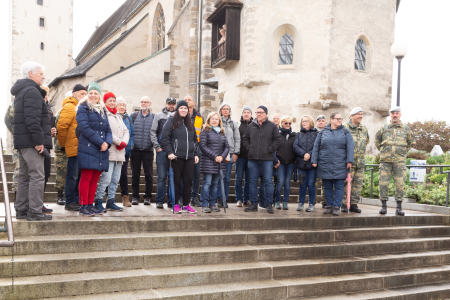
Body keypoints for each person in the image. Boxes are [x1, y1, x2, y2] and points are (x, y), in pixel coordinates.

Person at [12, 61, 52, 221]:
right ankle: (35, 211)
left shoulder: (22, 91)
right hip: (30, 141)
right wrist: (38, 141)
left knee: (24, 175)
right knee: (37, 175)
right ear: (31, 74)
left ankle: (21, 209)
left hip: (22, 141)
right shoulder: (32, 91)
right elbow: (32, 119)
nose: (43, 76)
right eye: (41, 73)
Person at [76, 82, 112, 216]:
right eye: (90, 93)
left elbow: (108, 129)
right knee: (86, 177)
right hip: (88, 147)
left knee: (95, 178)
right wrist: (100, 142)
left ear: (99, 95)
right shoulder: (83, 108)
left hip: (101, 149)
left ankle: (90, 205)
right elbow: (84, 128)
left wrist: (107, 143)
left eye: (95, 93)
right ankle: (83, 205)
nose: (93, 95)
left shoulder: (102, 110)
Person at [160, 100, 199, 214]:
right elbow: (164, 139)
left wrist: (196, 154)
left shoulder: (190, 122)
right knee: (176, 181)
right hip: (175, 157)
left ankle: (186, 205)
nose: (183, 110)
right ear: (177, 109)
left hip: (189, 157)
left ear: (188, 110)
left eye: (185, 108)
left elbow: (195, 141)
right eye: (181, 108)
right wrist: (170, 152)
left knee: (188, 181)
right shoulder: (171, 120)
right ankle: (175, 204)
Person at [312, 112, 354, 216]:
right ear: (331, 119)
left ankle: (336, 207)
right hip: (325, 163)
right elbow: (316, 147)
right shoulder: (322, 132)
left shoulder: (345, 132)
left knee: (339, 186)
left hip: (340, 164)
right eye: (337, 119)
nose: (340, 120)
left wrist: (349, 161)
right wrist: (314, 160)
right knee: (327, 186)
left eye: (341, 119)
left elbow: (350, 147)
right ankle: (329, 206)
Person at [375, 107, 415, 216]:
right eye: (393, 113)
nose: (395, 115)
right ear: (390, 115)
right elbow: (377, 141)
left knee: (400, 185)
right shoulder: (383, 128)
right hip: (385, 162)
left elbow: (410, 143)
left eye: (397, 113)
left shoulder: (406, 129)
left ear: (400, 114)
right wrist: (385, 151)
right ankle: (383, 206)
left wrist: (401, 153)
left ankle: (399, 208)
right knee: (383, 184)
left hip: (399, 162)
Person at [94, 92, 130, 212]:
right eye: (110, 100)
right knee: (106, 179)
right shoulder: (103, 115)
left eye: (114, 101)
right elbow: (107, 132)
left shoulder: (118, 116)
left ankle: (111, 201)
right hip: (109, 152)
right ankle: (98, 201)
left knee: (115, 179)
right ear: (105, 102)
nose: (112, 103)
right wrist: (120, 142)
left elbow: (126, 131)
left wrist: (124, 142)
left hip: (120, 154)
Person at [242, 105, 281, 214]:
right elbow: (245, 138)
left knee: (268, 181)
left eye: (261, 112)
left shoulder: (272, 126)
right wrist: (249, 148)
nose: (258, 114)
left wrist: (270, 149)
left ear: (266, 114)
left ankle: (269, 204)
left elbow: (278, 139)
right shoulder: (251, 126)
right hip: (253, 159)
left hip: (267, 159)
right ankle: (254, 204)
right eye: (257, 112)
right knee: (252, 181)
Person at [57, 84, 87, 211]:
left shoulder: (82, 107)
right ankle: (69, 201)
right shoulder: (70, 107)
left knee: (79, 176)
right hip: (73, 147)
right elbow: (61, 128)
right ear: (74, 94)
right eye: (81, 94)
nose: (84, 96)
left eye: (85, 94)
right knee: (72, 176)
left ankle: (75, 200)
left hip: (82, 148)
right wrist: (64, 145)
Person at [199, 112, 229, 213]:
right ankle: (204, 204)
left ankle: (212, 204)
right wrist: (215, 156)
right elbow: (202, 146)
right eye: (212, 119)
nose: (214, 121)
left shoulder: (222, 132)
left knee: (215, 184)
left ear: (219, 121)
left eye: (216, 119)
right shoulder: (205, 131)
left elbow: (227, 147)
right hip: (208, 161)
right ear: (208, 120)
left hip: (219, 163)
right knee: (207, 183)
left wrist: (222, 156)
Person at [342, 107, 369, 213]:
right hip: (348, 163)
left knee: (357, 185)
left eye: (361, 114)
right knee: (345, 184)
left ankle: (353, 204)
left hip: (360, 162)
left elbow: (366, 141)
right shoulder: (344, 128)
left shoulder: (364, 128)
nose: (360, 116)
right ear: (352, 116)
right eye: (358, 114)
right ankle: (344, 204)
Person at [151, 97, 176, 208]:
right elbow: (153, 132)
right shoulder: (158, 116)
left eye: (173, 104)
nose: (171, 106)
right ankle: (159, 201)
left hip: (174, 152)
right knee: (161, 177)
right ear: (165, 104)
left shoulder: (178, 117)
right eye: (169, 104)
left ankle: (171, 201)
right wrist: (157, 147)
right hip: (162, 151)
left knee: (173, 177)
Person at [130, 96, 155, 205]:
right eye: (142, 102)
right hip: (135, 150)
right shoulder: (133, 116)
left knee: (149, 175)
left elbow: (156, 132)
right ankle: (135, 197)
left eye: (145, 102)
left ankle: (147, 197)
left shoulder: (154, 117)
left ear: (150, 104)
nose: (143, 103)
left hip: (148, 151)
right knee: (135, 175)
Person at [216, 102, 240, 208]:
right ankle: (217, 198)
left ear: (230, 111)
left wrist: (235, 153)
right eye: (224, 109)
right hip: (218, 153)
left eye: (227, 109)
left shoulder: (234, 124)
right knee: (217, 177)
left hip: (229, 154)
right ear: (220, 110)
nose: (226, 110)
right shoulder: (217, 122)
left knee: (226, 178)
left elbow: (237, 139)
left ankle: (224, 198)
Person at [293, 115, 319, 212]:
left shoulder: (317, 133)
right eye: (303, 121)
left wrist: (310, 154)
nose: (304, 123)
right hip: (301, 163)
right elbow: (295, 146)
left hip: (312, 163)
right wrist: (304, 154)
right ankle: (301, 203)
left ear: (310, 122)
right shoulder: (298, 134)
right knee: (302, 184)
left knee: (311, 184)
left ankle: (311, 204)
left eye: (306, 121)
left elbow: (317, 146)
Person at [273, 116, 296, 210]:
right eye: (286, 123)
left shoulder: (294, 135)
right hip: (280, 162)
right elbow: (274, 147)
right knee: (280, 181)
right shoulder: (277, 134)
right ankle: (277, 201)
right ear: (282, 123)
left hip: (290, 163)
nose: (288, 125)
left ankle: (285, 202)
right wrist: (276, 159)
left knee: (287, 182)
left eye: (289, 123)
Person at [185, 95, 204, 206]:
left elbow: (204, 132)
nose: (187, 102)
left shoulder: (200, 117)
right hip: (184, 147)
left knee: (196, 175)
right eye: (185, 100)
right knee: (184, 175)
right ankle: (182, 197)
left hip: (197, 148)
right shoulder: (180, 115)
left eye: (189, 100)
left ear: (194, 103)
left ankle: (194, 197)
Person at [117, 97, 134, 207]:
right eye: (120, 105)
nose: (122, 107)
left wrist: (131, 145)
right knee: (111, 175)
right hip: (113, 150)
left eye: (123, 105)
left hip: (125, 151)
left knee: (123, 175)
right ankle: (109, 196)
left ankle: (125, 197)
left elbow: (131, 134)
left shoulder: (128, 118)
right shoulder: (112, 116)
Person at [235, 106, 252, 207]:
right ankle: (238, 199)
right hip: (240, 156)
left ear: (251, 114)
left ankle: (246, 199)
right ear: (242, 114)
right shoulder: (238, 125)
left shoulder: (254, 125)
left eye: (248, 112)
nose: (246, 114)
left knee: (249, 179)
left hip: (251, 157)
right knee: (238, 178)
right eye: (244, 112)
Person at [53, 108, 67, 206]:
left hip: (71, 147)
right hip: (60, 147)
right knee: (61, 172)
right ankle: (60, 196)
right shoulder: (61, 113)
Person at [316, 114, 327, 208]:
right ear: (316, 123)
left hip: (325, 162)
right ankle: (313, 201)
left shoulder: (329, 132)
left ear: (326, 123)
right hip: (316, 161)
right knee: (315, 183)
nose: (321, 122)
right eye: (319, 121)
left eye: (323, 121)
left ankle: (325, 202)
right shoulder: (314, 132)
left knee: (325, 183)